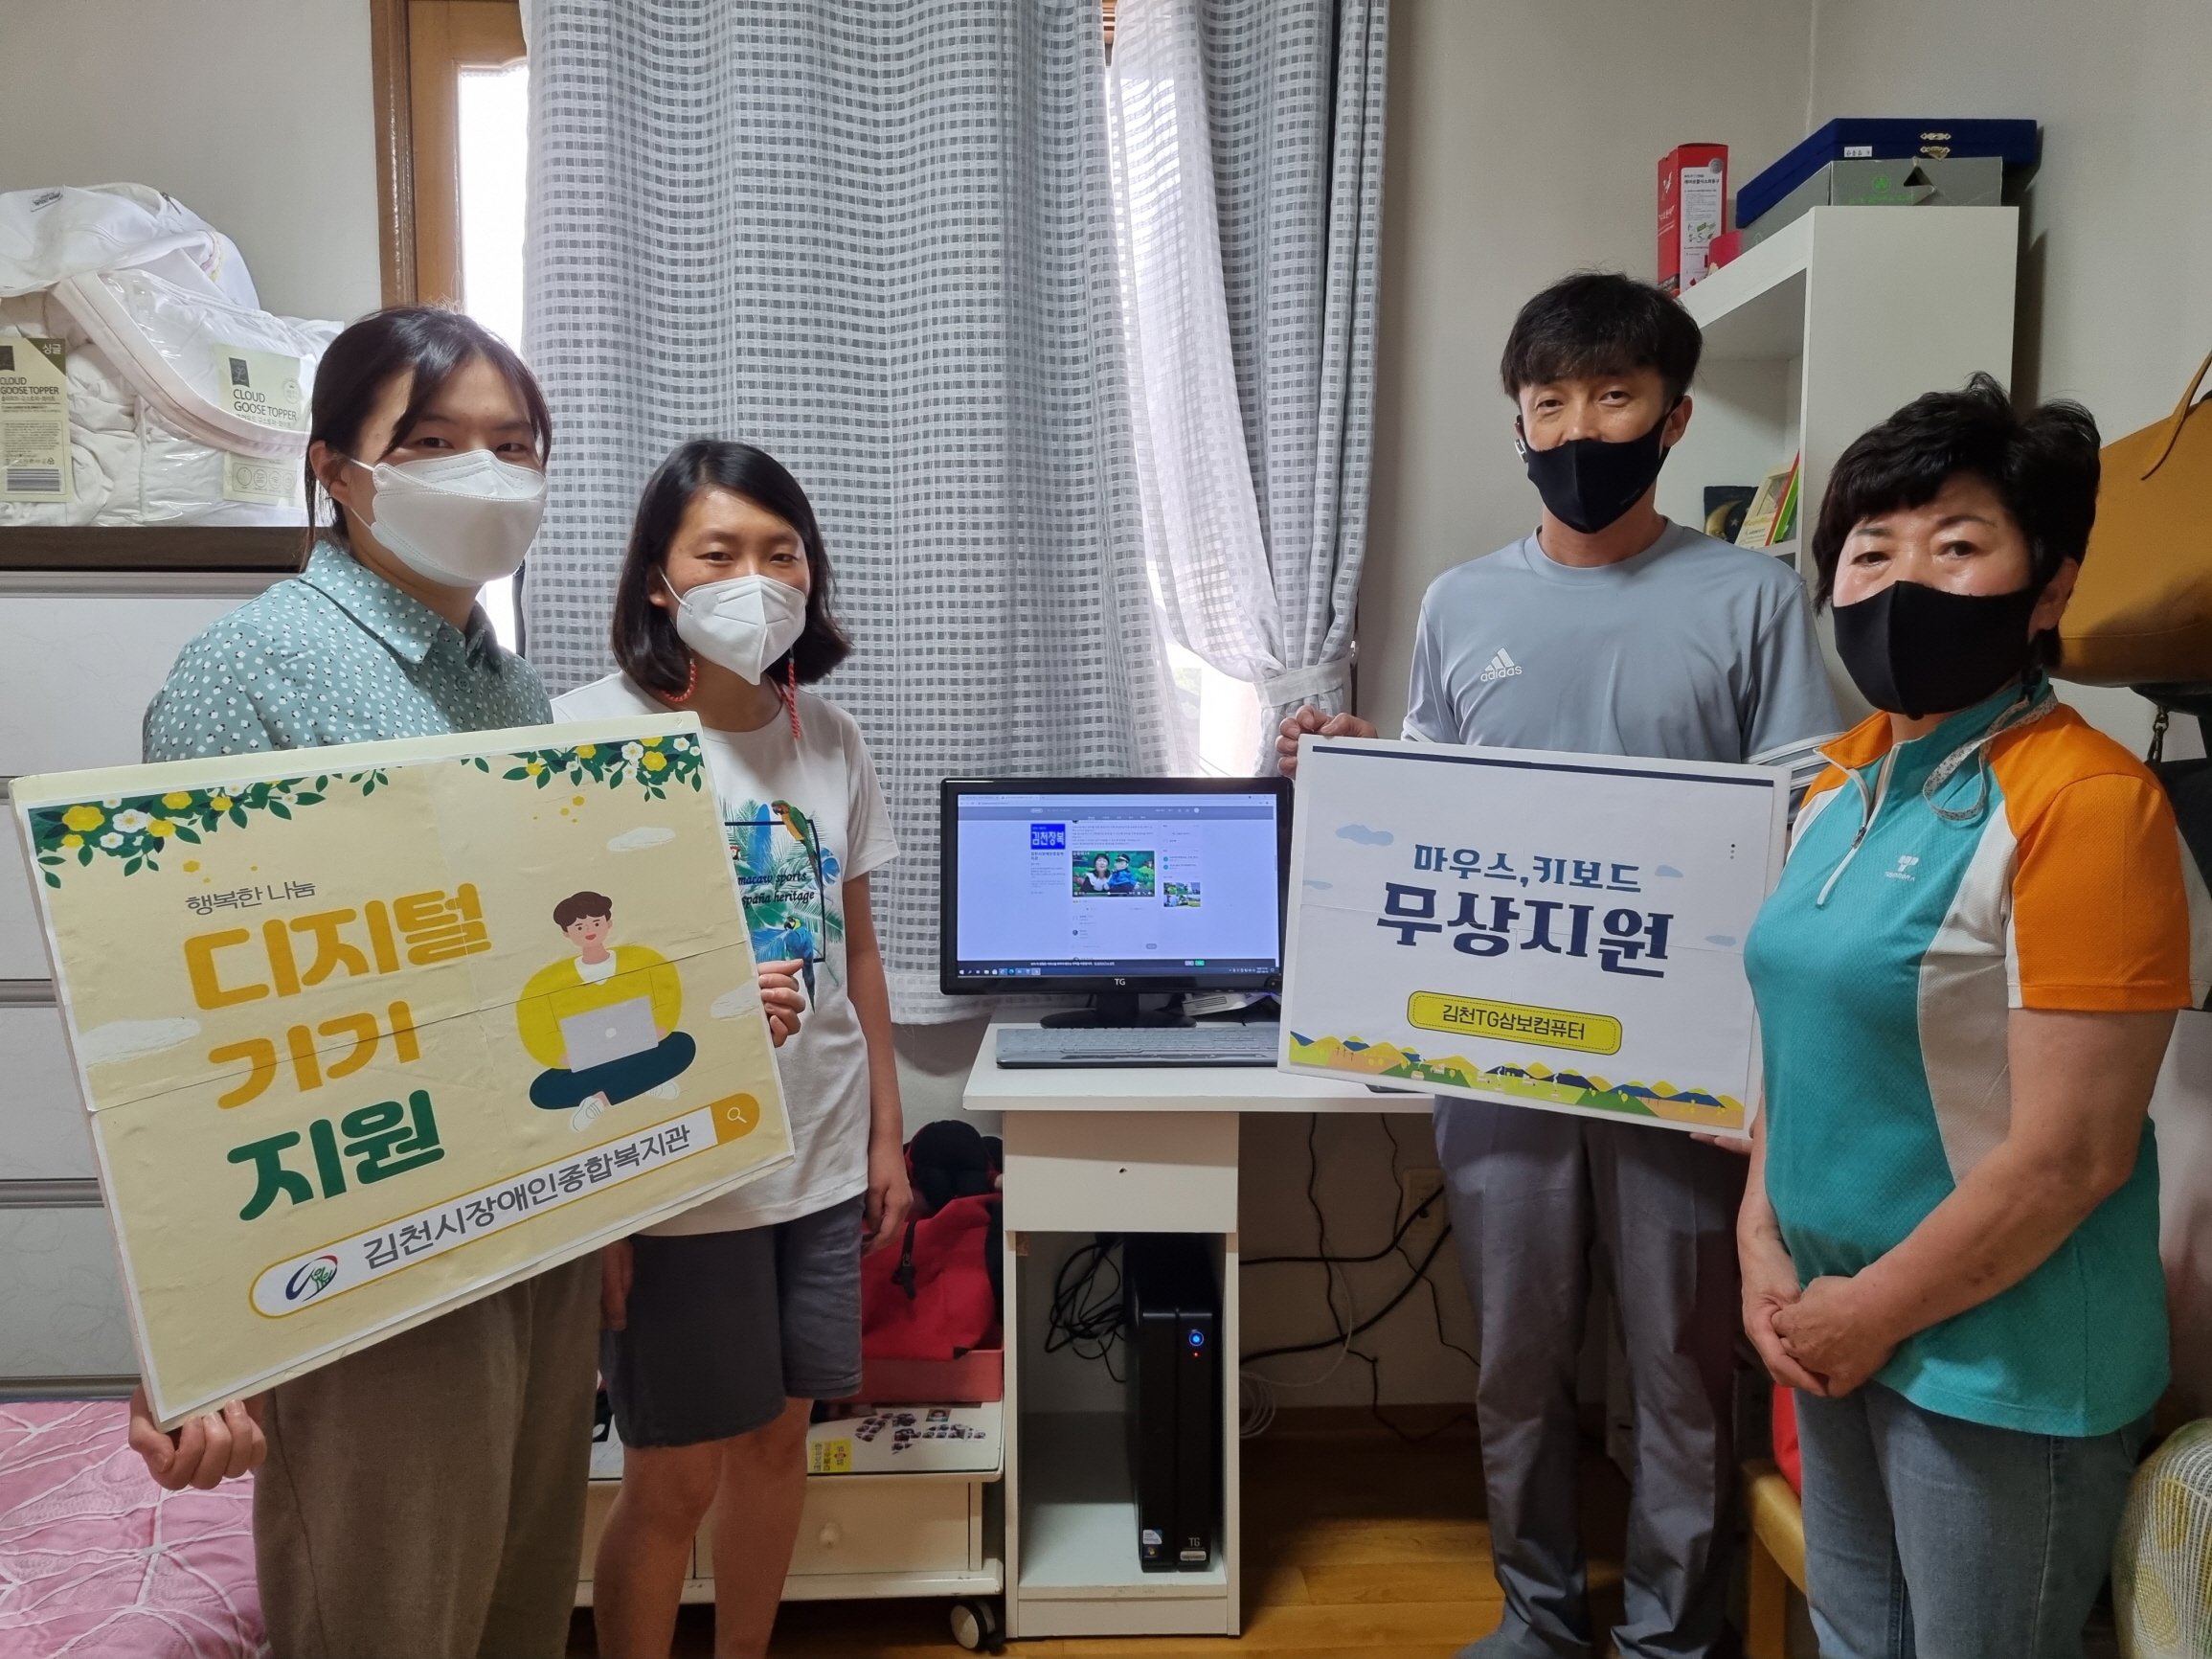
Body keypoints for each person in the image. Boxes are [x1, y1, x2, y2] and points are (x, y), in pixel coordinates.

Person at [130, 307, 802, 1659]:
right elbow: (175, 1014)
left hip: (526, 1220)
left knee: (514, 1601)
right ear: (336, 467)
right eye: (433, 442)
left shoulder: (511, 693)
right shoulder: (249, 673)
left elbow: (533, 960)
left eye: (515, 443)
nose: (485, 472)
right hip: (362, 1233)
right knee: (391, 1613)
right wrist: (184, 1345)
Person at [1277, 271, 1841, 1659]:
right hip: (1498, 1045)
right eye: (1550, 402)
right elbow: (1439, 810)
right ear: (1518, 422)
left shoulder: (1753, 596)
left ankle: (1671, 1633)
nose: (1579, 427)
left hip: (1684, 1060)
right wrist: (1357, 769)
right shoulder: (1461, 602)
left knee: (1679, 1366)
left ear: (1672, 417)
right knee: (1516, 1358)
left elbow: (1801, 812)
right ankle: (1535, 1616)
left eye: (1614, 397)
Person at [1737, 375, 2209, 1659]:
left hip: (2001, 1359)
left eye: (1955, 546)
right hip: (1830, 1315)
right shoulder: (1838, 782)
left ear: (2048, 587)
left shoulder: (2086, 804)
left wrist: (1870, 1310)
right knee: (1856, 1636)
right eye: (1869, 549)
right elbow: (1796, 1038)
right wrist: (1759, 1236)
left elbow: (2071, 1156)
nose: (1901, 581)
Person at [553, 439, 913, 1659]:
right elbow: (552, 981)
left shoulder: (831, 737)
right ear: (660, 577)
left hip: (816, 1156)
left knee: (776, 1444)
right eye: (719, 552)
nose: (756, 578)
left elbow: (858, 956)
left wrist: (886, 1139)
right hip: (677, 1172)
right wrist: (600, 1203)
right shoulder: (582, 735)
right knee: (674, 1476)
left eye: (782, 553)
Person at [517, 890, 696, 1130]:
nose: (589, 930)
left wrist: (658, 1029)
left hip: (643, 1049)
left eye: (596, 922)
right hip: (590, 1064)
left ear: (608, 922)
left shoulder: (644, 959)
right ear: (566, 932)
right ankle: (645, 1081)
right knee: (542, 1090)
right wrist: (562, 1057)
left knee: (682, 1045)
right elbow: (536, 1031)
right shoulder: (546, 982)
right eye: (579, 927)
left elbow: (668, 1001)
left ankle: (599, 1099)